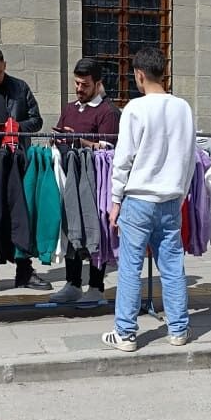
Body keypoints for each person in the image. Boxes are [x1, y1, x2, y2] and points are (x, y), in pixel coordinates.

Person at [102, 47, 197, 353]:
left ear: (139, 75)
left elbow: (123, 159)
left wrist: (115, 200)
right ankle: (178, 329)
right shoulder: (183, 108)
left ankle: (126, 333)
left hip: (138, 198)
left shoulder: (135, 108)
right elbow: (189, 158)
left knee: (130, 266)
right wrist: (180, 193)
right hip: (170, 198)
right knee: (172, 266)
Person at [0, 46, 51, 292]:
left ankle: (24, 271)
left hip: (16, 159)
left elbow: (36, 119)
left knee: (19, 214)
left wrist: (16, 126)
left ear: (4, 65)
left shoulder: (20, 87)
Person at [52, 58, 121, 304]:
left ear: (98, 84)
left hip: (96, 181)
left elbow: (109, 150)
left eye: (85, 84)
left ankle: (96, 286)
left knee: (96, 228)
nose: (79, 89)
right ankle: (72, 283)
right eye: (77, 83)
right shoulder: (70, 108)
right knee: (72, 226)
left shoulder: (109, 112)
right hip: (71, 175)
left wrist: (80, 141)